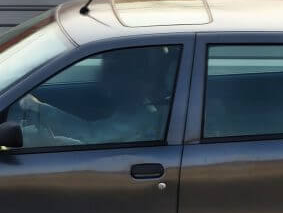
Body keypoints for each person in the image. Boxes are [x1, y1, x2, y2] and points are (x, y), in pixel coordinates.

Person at [13, 46, 176, 148]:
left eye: (113, 70)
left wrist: (39, 109)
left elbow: (90, 136)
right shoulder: (142, 107)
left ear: (132, 77)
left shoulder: (145, 117)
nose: (104, 76)